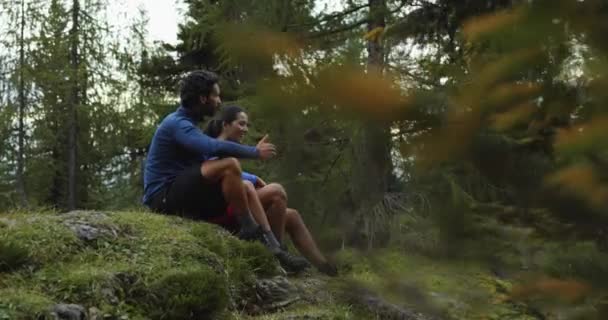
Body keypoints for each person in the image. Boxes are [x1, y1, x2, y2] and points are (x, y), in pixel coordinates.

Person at [142, 70, 307, 272]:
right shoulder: (177, 124)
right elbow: (212, 149)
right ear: (203, 98)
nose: (219, 101)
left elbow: (207, 162)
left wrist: (251, 177)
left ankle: (274, 249)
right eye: (216, 95)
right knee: (229, 165)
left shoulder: (189, 126)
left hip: (185, 193)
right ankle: (249, 229)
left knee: (243, 183)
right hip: (163, 197)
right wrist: (254, 152)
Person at [205, 105, 338, 276]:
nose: (245, 129)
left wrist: (251, 176)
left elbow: (232, 169)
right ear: (225, 125)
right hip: (225, 208)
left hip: (238, 203)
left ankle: (325, 268)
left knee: (292, 215)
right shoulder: (212, 145)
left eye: (247, 125)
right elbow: (218, 170)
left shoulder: (229, 148)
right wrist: (252, 177)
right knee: (276, 191)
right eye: (241, 124)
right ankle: (277, 254)